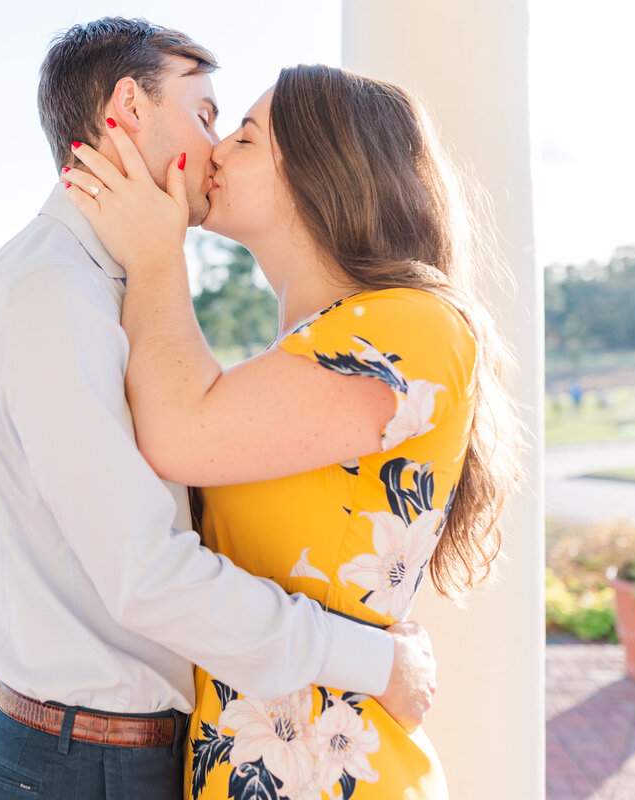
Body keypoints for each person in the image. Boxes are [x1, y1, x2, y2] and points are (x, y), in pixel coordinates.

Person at [0, 18, 439, 800]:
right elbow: (147, 577)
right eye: (208, 115)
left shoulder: (114, 288)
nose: (216, 148)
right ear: (128, 109)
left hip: (110, 751)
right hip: (87, 760)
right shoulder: (55, 295)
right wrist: (373, 660)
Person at [61, 65, 521, 798]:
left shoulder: (412, 324)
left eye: (243, 137)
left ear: (320, 170)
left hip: (328, 775)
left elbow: (180, 434)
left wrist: (154, 256)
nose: (212, 152)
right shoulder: (312, 350)